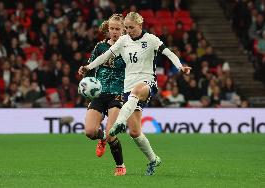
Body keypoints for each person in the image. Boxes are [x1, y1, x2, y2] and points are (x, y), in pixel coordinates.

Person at [79, 12, 191, 176]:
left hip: (147, 83)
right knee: (135, 132)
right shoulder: (124, 41)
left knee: (137, 91)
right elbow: (105, 56)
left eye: (131, 27)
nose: (129, 31)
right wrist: (89, 67)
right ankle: (154, 160)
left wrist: (180, 66)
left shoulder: (151, 39)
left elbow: (168, 52)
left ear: (140, 25)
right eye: (127, 28)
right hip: (127, 89)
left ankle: (120, 123)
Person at [82, 14, 127, 176]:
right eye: (112, 29)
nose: (114, 32)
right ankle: (101, 138)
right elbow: (91, 67)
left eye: (117, 29)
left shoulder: (128, 48)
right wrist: (85, 79)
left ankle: (120, 166)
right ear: (108, 30)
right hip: (99, 93)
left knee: (111, 134)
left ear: (124, 30)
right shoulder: (100, 47)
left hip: (117, 93)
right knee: (89, 131)